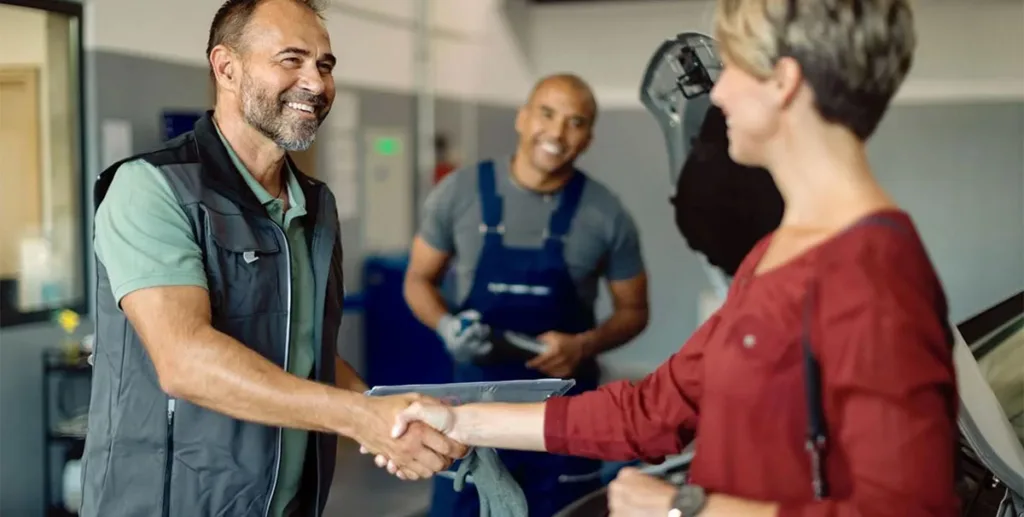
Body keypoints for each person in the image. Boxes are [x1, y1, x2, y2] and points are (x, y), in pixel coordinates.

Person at [383, 1, 963, 516]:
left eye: (732, 66)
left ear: (783, 81)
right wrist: (456, 418)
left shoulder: (874, 271)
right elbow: (652, 411)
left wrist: (686, 507)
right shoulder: (775, 253)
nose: (720, 92)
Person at [81, 1, 465, 516]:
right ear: (226, 67)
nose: (316, 82)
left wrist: (392, 419)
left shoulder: (315, 204)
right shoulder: (152, 189)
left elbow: (305, 348)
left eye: (325, 65)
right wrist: (357, 418)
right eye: (291, 59)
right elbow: (184, 362)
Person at [402, 73, 650, 517]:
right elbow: (418, 280)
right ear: (522, 118)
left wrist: (583, 344)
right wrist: (445, 326)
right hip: (470, 420)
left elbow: (634, 311)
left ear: (588, 138)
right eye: (547, 114)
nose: (556, 133)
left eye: (575, 122)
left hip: (566, 425)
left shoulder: (606, 214)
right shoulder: (459, 193)